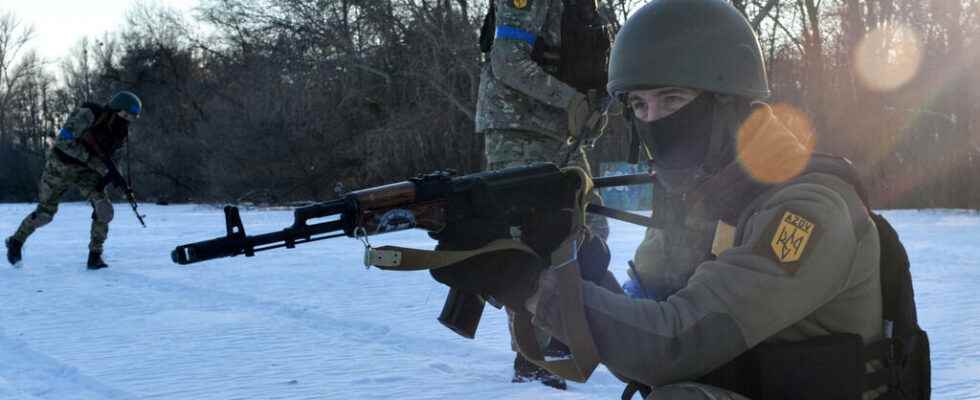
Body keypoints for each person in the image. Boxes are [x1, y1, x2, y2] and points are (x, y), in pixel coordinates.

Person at [434, 0, 929, 398]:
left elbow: (674, 343)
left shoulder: (808, 209)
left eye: (673, 100)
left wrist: (532, 287)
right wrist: (577, 264)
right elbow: (644, 312)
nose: (654, 122)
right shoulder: (698, 200)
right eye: (639, 105)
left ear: (734, 106)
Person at [476, 0, 612, 389]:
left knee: (592, 226)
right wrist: (571, 102)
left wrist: (594, 108)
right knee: (531, 242)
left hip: (558, 135)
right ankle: (535, 356)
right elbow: (508, 62)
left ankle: (561, 334)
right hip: (519, 130)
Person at [5, 91, 142, 270]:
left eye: (131, 117)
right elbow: (63, 142)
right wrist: (91, 160)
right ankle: (16, 241)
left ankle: (95, 256)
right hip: (59, 166)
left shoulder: (119, 132)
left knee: (104, 210)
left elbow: (113, 161)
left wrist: (117, 179)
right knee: (45, 215)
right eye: (124, 115)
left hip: (86, 173)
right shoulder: (89, 115)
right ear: (115, 109)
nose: (126, 120)